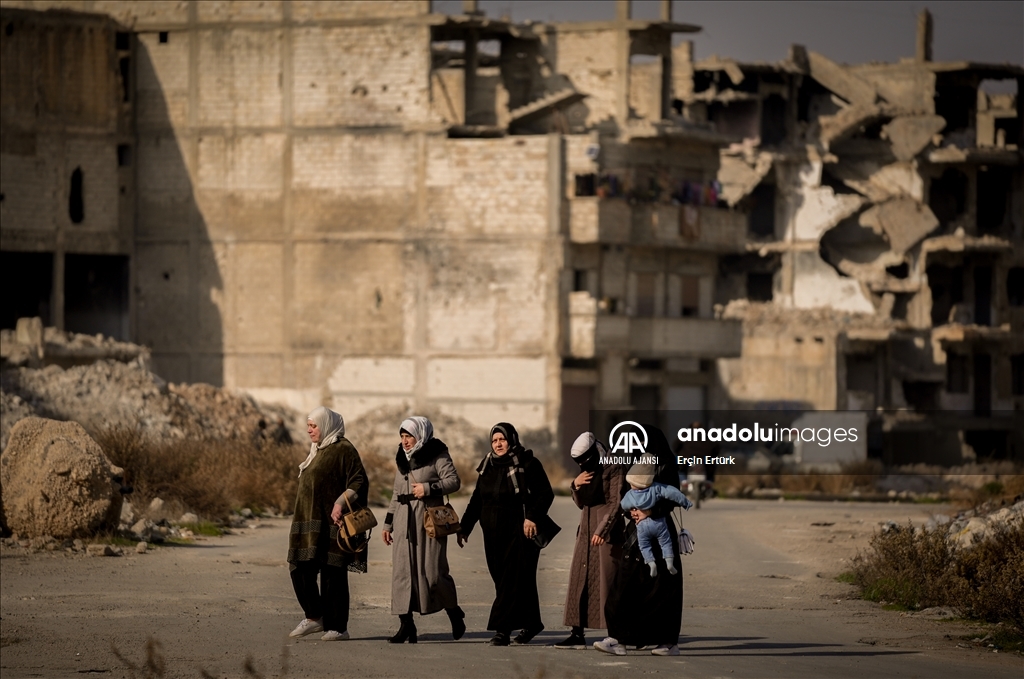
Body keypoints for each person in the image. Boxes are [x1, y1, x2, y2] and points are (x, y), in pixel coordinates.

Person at [457, 422, 554, 646]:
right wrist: (465, 527)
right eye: (494, 440)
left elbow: (545, 493)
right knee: (507, 580)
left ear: (512, 439)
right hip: (491, 533)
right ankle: (532, 623)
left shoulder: (528, 462)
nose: (498, 444)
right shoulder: (487, 465)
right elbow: (477, 499)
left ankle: (502, 630)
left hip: (519, 531)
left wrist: (532, 517)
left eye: (502, 439)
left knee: (511, 580)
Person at [596, 425, 684, 657]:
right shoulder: (635, 464)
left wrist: (649, 511)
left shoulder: (665, 463)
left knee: (664, 590)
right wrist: (633, 512)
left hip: (661, 533)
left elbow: (672, 496)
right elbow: (626, 496)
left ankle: (668, 642)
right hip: (635, 535)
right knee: (623, 585)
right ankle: (618, 639)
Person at [287, 406, 369, 641]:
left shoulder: (343, 449)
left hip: (333, 523)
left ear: (326, 425)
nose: (309, 430)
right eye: (308, 426)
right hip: (307, 524)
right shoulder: (316, 450)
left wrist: (340, 503)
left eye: (314, 426)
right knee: (299, 568)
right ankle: (315, 617)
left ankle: (338, 627)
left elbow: (359, 481)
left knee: (333, 573)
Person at [381, 416, 466, 643]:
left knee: (434, 573)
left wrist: (428, 488)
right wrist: (388, 524)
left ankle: (454, 613)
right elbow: (395, 494)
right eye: (402, 436)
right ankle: (406, 625)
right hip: (402, 523)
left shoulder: (437, 454)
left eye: (409, 436)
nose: (405, 441)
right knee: (401, 574)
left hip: (429, 523)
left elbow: (454, 481)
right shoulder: (401, 458)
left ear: (420, 435)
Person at [555, 432, 628, 650]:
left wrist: (603, 529)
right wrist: (575, 485)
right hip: (585, 532)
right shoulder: (586, 470)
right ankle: (576, 633)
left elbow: (616, 502)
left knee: (608, 581)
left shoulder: (613, 466)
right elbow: (581, 503)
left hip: (606, 532)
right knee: (580, 581)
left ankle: (617, 635)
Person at [619, 465, 692, 577]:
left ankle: (651, 563)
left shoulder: (630, 494)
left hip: (641, 526)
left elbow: (623, 505)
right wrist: (686, 502)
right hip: (658, 523)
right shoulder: (656, 487)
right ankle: (669, 562)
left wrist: (633, 510)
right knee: (666, 543)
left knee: (644, 546)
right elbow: (673, 493)